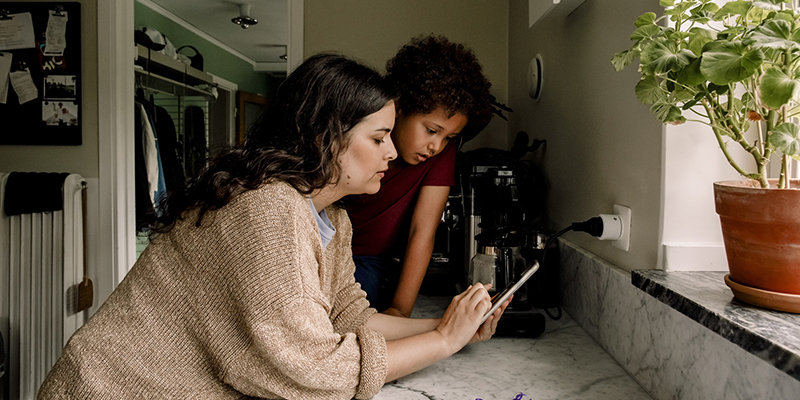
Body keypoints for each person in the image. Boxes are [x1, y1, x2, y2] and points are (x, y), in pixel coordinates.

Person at [38, 53, 508, 400]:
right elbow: (314, 371)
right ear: (327, 136)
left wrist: (448, 325)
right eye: (378, 138)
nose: (389, 154)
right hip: (109, 390)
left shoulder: (332, 221)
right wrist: (444, 342)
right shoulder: (266, 210)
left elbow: (351, 320)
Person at [348, 35, 495, 317]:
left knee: (363, 291)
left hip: (376, 263)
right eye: (431, 130)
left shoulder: (441, 154)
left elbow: (422, 233)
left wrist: (400, 310)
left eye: (449, 137)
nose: (436, 146)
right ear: (400, 107)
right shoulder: (360, 135)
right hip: (327, 254)